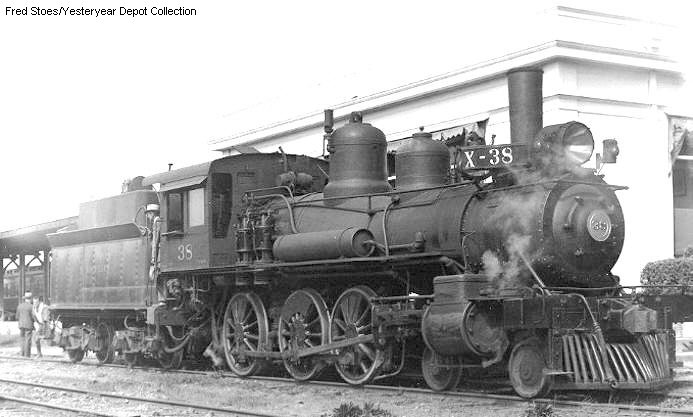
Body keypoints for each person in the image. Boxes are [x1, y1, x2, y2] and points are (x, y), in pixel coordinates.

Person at [15, 292, 35, 357]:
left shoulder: (20, 306)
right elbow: (33, 317)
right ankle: (27, 355)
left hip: (21, 325)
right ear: (30, 299)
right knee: (28, 340)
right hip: (28, 325)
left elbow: (17, 317)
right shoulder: (31, 306)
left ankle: (22, 354)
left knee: (22, 339)